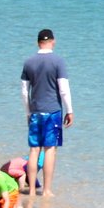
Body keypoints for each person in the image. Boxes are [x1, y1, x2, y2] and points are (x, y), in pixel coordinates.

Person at [22, 28, 74, 196]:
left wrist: (28, 112)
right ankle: (46, 190)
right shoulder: (58, 61)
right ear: (53, 41)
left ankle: (30, 190)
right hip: (53, 111)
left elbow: (24, 91)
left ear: (38, 43)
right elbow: (64, 89)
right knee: (50, 149)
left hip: (36, 111)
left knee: (34, 150)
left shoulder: (29, 62)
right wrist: (70, 110)